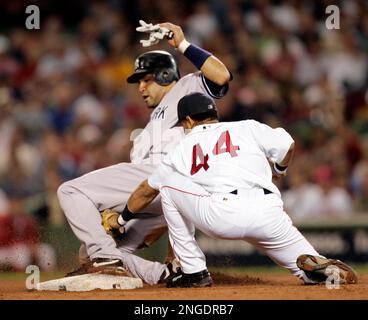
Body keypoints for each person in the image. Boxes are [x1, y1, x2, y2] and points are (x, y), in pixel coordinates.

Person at [105, 92, 358, 287]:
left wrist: (122, 218)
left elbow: (146, 190)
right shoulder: (247, 126)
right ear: (214, 114)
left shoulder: (184, 144)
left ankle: (193, 271)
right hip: (270, 213)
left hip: (222, 214)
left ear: (189, 120)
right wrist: (279, 170)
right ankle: (319, 272)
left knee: (167, 183)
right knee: (304, 264)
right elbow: (287, 143)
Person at [56, 22, 231, 285]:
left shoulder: (186, 88)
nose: (140, 87)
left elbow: (221, 76)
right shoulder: (149, 126)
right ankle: (160, 274)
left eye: (146, 79)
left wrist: (182, 44)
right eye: (139, 81)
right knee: (90, 253)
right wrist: (121, 218)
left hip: (166, 176)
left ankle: (104, 257)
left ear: (164, 75)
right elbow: (146, 200)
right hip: (159, 198)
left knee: (70, 191)